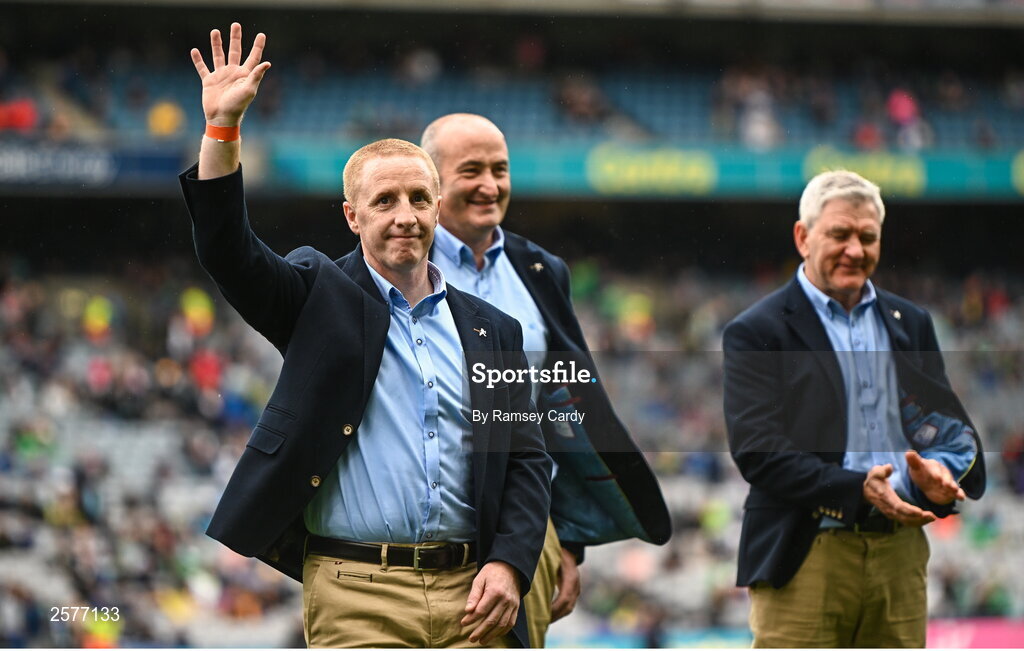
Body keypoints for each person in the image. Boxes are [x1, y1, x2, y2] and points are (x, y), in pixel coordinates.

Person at [179, 24, 551, 648]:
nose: (405, 216)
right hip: (357, 589)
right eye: (384, 201)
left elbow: (527, 458)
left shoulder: (494, 328)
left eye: (418, 198)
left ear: (437, 207)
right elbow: (227, 250)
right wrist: (222, 129)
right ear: (352, 215)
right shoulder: (315, 295)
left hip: (474, 592)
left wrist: (511, 563)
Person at [420, 113, 672, 647]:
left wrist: (567, 540)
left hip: (522, 530)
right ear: (432, 181)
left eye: (500, 169)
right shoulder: (399, 260)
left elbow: (561, 415)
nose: (490, 185)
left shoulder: (540, 270)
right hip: (423, 527)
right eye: (471, 170)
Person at [722, 170, 985, 647]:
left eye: (868, 237)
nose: (855, 250)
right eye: (839, 234)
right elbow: (757, 452)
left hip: (900, 557)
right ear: (803, 237)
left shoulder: (913, 324)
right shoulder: (757, 330)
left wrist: (941, 474)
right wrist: (857, 490)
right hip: (806, 553)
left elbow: (947, 431)